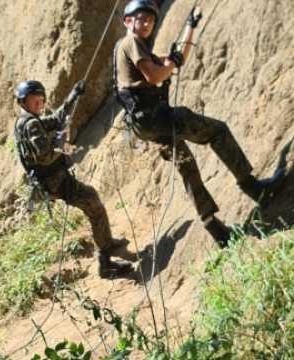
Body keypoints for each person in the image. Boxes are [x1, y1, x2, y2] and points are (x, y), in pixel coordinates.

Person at [113, 0, 285, 247]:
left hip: (146, 124)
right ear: (128, 21)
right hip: (156, 118)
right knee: (217, 131)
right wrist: (170, 64)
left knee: (187, 167)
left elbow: (175, 59)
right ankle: (254, 188)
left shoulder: (134, 48)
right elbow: (155, 75)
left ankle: (214, 227)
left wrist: (190, 27)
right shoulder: (131, 43)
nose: (148, 22)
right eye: (141, 18)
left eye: (151, 19)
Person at [14, 79, 133, 277]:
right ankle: (105, 263)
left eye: (41, 99)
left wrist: (73, 96)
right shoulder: (32, 124)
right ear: (24, 101)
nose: (40, 103)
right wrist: (61, 144)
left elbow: (57, 118)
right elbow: (44, 157)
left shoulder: (25, 121)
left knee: (92, 201)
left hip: (51, 182)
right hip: (56, 182)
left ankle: (107, 243)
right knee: (94, 205)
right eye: (35, 99)